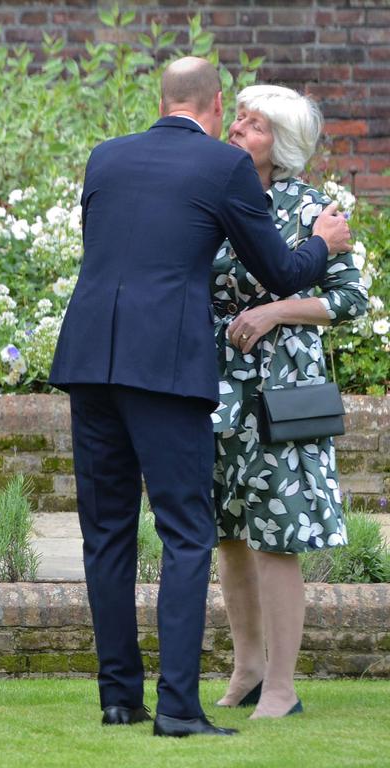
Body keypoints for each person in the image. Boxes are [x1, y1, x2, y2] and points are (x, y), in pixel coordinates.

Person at [48, 57, 353, 738]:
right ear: (215, 103)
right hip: (164, 367)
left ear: (162, 99)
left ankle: (120, 699)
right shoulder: (223, 168)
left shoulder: (107, 158)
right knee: (187, 534)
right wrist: (320, 243)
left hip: (90, 359)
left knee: (107, 535)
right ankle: (180, 708)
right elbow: (278, 270)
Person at [210, 85, 367, 718]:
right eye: (239, 118)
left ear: (286, 145)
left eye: (254, 125)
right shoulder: (214, 199)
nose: (239, 128)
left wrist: (276, 310)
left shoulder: (312, 209)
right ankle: (247, 667)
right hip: (217, 388)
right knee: (227, 534)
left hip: (283, 394)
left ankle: (282, 685)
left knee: (278, 536)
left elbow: (349, 300)